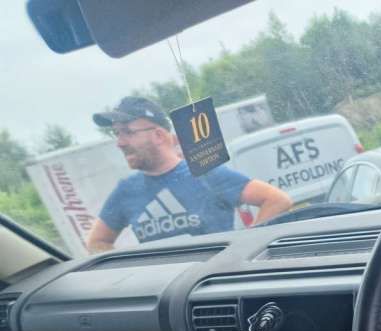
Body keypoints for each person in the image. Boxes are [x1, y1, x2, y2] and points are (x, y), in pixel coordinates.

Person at [86, 96, 292, 253]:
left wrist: (244, 249)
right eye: (117, 133)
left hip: (212, 288)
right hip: (164, 292)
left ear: (158, 135)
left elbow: (277, 200)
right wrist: (132, 272)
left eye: (127, 132)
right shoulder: (126, 190)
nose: (120, 143)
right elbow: (97, 242)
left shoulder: (206, 174)